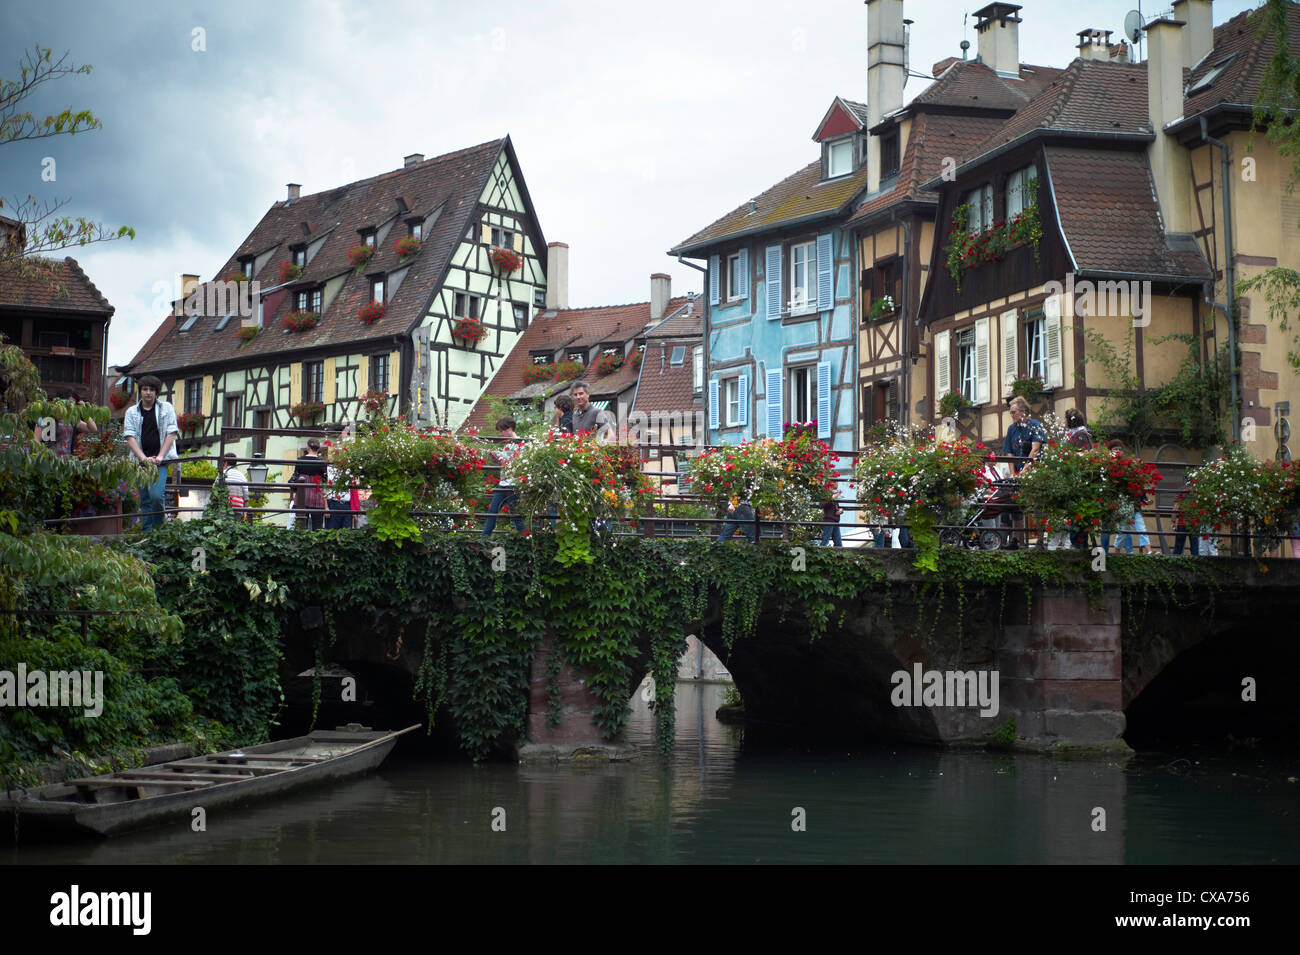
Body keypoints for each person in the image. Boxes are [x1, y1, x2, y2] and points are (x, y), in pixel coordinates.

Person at [123, 375, 180, 532]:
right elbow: (129, 436)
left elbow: (171, 433)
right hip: (140, 462)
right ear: (140, 392)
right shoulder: (131, 412)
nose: (148, 393)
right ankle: (147, 533)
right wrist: (143, 458)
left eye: (151, 390)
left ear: (156, 392)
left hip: (160, 461)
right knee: (145, 499)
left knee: (156, 495)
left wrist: (160, 456)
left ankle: (159, 531)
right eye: (145, 389)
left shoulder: (166, 408)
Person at [1001, 397, 1046, 548]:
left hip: (1035, 472)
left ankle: (1040, 540)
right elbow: (1009, 453)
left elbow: (1036, 448)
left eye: (1013, 412)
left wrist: (1026, 469)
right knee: (1016, 506)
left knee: (1037, 507)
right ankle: (1016, 540)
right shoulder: (1011, 429)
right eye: (1011, 413)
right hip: (1019, 472)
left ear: (1023, 412)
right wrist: (1014, 473)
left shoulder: (1035, 426)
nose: (1012, 415)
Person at [1102, 440, 1152, 554]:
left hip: (1130, 501)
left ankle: (1147, 551)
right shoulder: (1107, 465)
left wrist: (1144, 499)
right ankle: (1119, 550)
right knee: (1123, 530)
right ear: (1110, 451)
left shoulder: (1127, 465)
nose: (1118, 451)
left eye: (1120, 449)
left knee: (1138, 527)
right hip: (1118, 502)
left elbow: (1137, 484)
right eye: (1115, 449)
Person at [482, 416, 525, 536]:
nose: (500, 434)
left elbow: (513, 460)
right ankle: (484, 538)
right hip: (504, 483)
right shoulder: (509, 444)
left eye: (502, 431)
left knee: (516, 514)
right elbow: (506, 461)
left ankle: (525, 538)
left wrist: (498, 454)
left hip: (513, 484)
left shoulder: (521, 443)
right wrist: (496, 458)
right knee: (492, 511)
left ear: (510, 429)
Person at [33, 389, 97, 456]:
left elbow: (93, 429)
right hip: (50, 460)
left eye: (73, 404)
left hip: (66, 462)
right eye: (69, 403)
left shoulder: (72, 419)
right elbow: (36, 439)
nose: (71, 407)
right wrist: (43, 456)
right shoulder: (47, 417)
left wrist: (84, 411)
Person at [290, 439, 328, 530]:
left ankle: (301, 543)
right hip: (317, 495)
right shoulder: (322, 462)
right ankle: (316, 543)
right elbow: (324, 479)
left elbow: (295, 476)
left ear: (308, 447)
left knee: (301, 526)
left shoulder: (300, 460)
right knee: (318, 527)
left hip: (302, 495)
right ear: (318, 449)